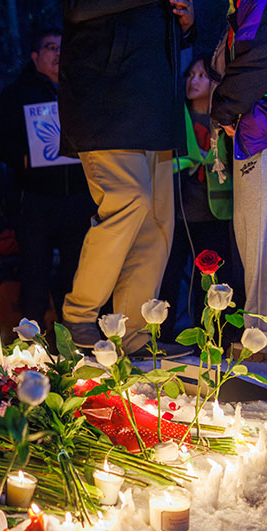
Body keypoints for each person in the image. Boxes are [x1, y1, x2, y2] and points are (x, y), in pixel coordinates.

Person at [58, 0, 195, 353]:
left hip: (154, 111)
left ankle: (134, 334)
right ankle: (79, 315)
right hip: (105, 108)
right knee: (130, 200)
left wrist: (185, 26)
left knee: (157, 222)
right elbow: (76, 9)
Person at [0, 28, 93, 328]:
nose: (58, 53)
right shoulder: (17, 93)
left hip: (79, 196)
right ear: (35, 56)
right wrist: (19, 155)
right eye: (50, 47)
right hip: (34, 199)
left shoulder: (81, 90)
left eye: (63, 47)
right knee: (34, 272)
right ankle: (32, 344)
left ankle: (74, 338)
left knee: (77, 271)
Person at [161, 55, 237, 334]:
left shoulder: (224, 120)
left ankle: (208, 337)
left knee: (211, 279)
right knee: (169, 275)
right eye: (190, 75)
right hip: (178, 211)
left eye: (202, 75)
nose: (193, 81)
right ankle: (164, 335)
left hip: (213, 212)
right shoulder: (176, 117)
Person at [211, 1, 267, 330]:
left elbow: (255, 61)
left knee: (257, 238)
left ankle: (258, 337)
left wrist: (224, 108)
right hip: (254, 133)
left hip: (258, 134)